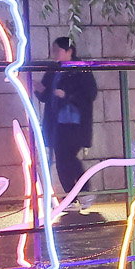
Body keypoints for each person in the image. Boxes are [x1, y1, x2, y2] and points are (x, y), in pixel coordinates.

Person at [36, 37, 97, 203]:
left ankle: (83, 192)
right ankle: (73, 197)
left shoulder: (80, 69)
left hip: (74, 123)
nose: (54, 53)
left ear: (69, 51)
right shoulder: (53, 70)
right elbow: (46, 96)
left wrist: (67, 96)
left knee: (68, 157)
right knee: (61, 158)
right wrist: (40, 90)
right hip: (56, 122)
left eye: (57, 50)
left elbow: (90, 93)